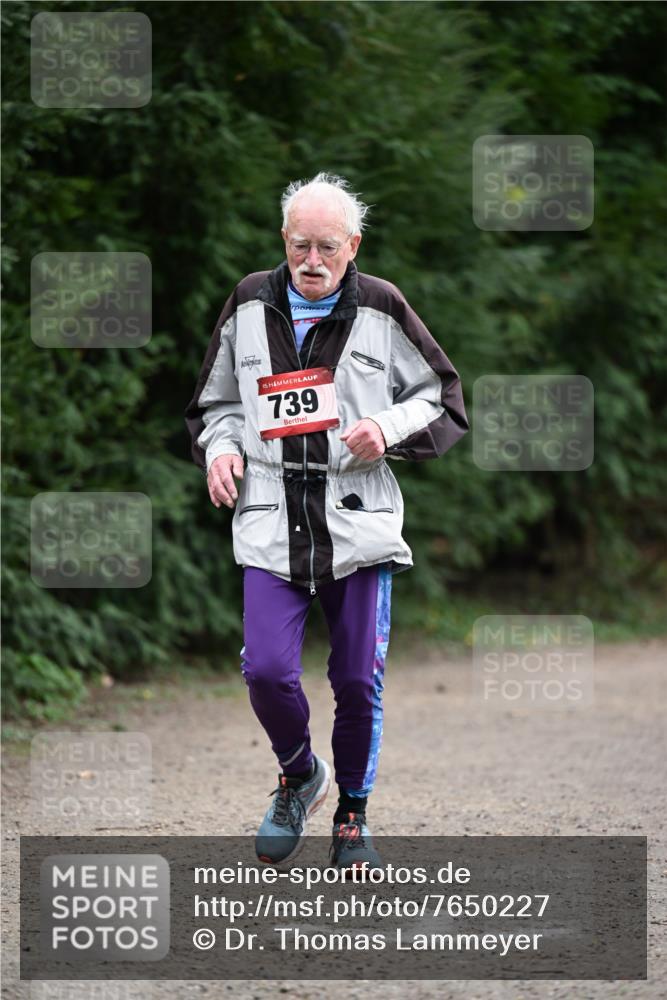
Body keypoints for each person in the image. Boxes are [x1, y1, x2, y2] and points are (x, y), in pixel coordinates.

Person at [185, 172, 468, 870]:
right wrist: (221, 452)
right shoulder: (249, 301)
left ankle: (352, 817)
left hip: (356, 517)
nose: (311, 263)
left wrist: (385, 426)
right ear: (284, 241)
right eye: (300, 246)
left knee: (354, 679)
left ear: (353, 247)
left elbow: (440, 398)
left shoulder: (382, 307)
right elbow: (214, 406)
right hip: (270, 516)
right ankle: (297, 772)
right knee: (267, 672)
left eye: (327, 249)